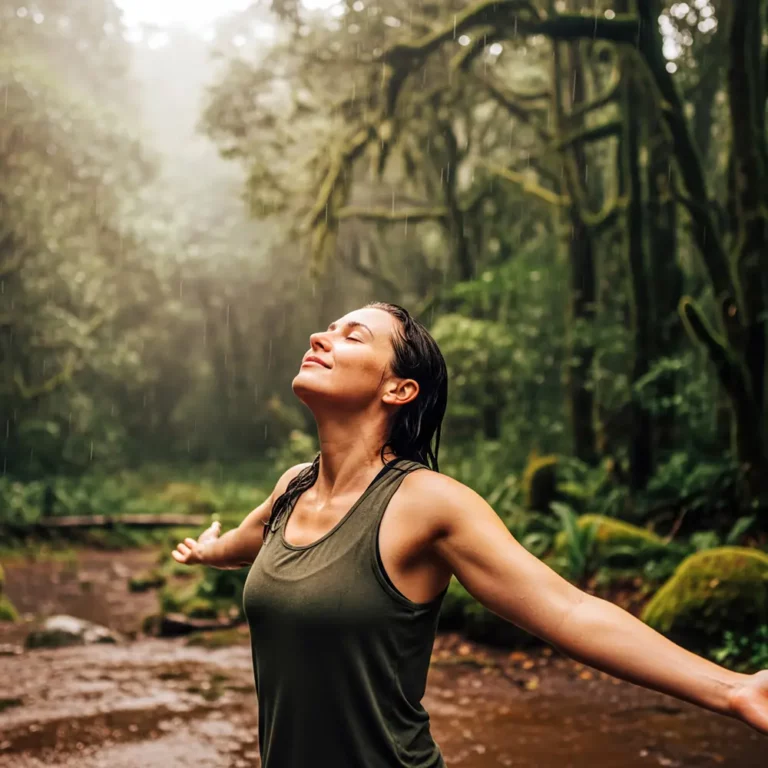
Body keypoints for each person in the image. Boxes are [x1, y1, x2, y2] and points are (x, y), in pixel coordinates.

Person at [172, 301, 768, 767]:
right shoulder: (293, 490)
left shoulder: (426, 503)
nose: (318, 338)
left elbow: (568, 611)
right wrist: (206, 552)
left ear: (398, 389)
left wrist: (732, 689)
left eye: (353, 335)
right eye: (327, 328)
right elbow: (247, 542)